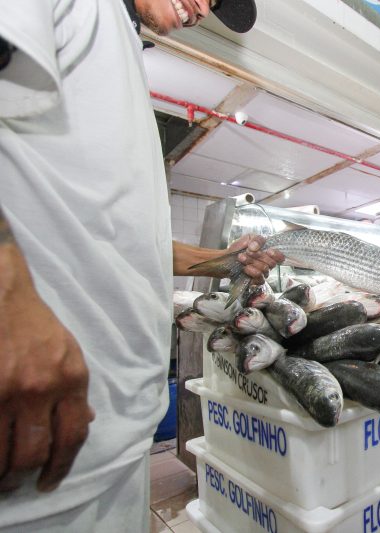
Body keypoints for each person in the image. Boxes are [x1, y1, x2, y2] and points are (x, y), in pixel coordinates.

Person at [0, 1, 279, 531]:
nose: (205, 8)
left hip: (113, 439)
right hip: (35, 455)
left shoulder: (124, 48)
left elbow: (118, 235)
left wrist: (227, 261)